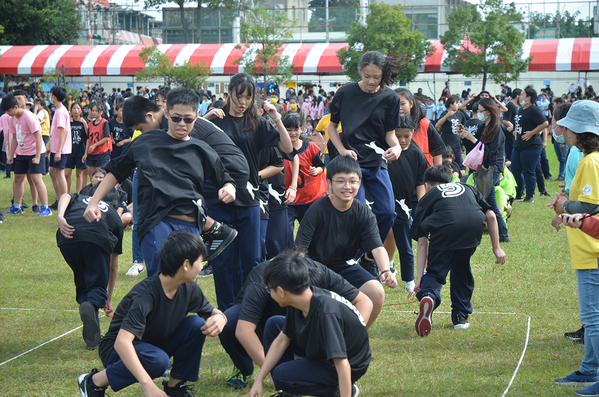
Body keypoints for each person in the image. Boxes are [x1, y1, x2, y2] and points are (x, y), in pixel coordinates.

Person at [84, 88, 237, 278]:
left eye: (188, 119)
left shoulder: (202, 149)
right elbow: (116, 172)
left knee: (187, 285)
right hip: (156, 224)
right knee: (161, 282)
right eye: (176, 118)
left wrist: (229, 188)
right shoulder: (145, 142)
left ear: (197, 116)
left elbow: (225, 179)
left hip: (190, 228)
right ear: (166, 113)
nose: (182, 124)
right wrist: (93, 202)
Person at [77, 230, 228, 397]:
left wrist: (221, 318)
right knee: (158, 361)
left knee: (196, 325)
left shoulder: (189, 288)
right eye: (201, 261)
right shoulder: (146, 295)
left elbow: (213, 313)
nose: (202, 266)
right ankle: (93, 382)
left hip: (153, 345)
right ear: (186, 265)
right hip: (117, 350)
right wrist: (147, 384)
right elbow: (122, 343)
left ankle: (175, 389)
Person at [204, 73, 293, 310]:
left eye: (248, 97)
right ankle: (227, 310)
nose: (242, 102)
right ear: (229, 93)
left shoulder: (257, 123)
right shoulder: (217, 122)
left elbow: (287, 148)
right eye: (238, 95)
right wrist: (205, 118)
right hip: (219, 198)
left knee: (252, 258)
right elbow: (188, 140)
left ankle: (250, 308)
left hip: (250, 199)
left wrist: (277, 119)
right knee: (223, 260)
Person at [218, 252, 372, 389]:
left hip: (348, 364)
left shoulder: (325, 313)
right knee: (274, 325)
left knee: (282, 375)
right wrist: (261, 378)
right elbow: (280, 340)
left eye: (269, 289)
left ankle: (335, 391)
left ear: (281, 291)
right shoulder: (297, 299)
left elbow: (342, 362)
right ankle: (288, 389)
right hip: (327, 350)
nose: (269, 293)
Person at [295, 156, 398, 328]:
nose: (347, 187)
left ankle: (356, 338)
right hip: (314, 268)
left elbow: (377, 247)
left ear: (359, 183)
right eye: (340, 181)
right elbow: (299, 250)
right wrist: (298, 276)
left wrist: (386, 270)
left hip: (344, 267)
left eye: (352, 181)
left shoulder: (363, 212)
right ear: (330, 183)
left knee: (376, 292)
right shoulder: (317, 209)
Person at [412, 165, 506, 337]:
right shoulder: (468, 188)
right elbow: (491, 215)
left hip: (445, 228)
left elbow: (422, 241)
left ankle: (429, 297)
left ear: (426, 186)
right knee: (461, 268)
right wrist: (497, 248)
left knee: (435, 272)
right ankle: (460, 317)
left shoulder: (429, 196)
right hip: (473, 227)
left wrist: (419, 279)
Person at [327, 51, 402, 250]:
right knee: (357, 211)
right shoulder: (344, 93)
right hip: (351, 162)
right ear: (359, 71)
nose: (371, 81)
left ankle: (368, 253)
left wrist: (397, 147)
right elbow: (331, 127)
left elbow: (390, 135)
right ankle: (356, 255)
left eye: (376, 77)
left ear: (383, 75)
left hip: (377, 162)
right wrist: (342, 150)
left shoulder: (391, 98)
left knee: (388, 212)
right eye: (366, 75)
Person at [552, 100, 599, 396]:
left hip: (591, 250)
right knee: (591, 316)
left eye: (567, 127)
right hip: (586, 247)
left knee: (593, 317)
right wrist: (564, 210)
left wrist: (565, 205)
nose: (562, 131)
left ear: (577, 132)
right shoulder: (587, 159)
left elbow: (592, 205)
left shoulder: (591, 161)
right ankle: (589, 367)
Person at [56, 185, 122, 350]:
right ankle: (92, 306)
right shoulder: (113, 215)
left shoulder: (79, 198)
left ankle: (92, 339)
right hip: (96, 238)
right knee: (97, 284)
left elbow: (65, 195)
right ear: (113, 204)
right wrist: (108, 298)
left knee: (83, 278)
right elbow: (113, 267)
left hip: (66, 237)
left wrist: (60, 217)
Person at [458, 97, 510, 243]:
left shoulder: (497, 129)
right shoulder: (483, 127)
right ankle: (498, 233)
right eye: (478, 110)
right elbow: (474, 149)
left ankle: (503, 235)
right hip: (482, 168)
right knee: (486, 201)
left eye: (481, 111)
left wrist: (472, 138)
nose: (478, 113)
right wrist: (464, 136)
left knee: (490, 202)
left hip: (491, 168)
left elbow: (489, 151)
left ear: (489, 112)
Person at [387, 115, 428, 294]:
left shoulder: (416, 154)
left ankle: (409, 281)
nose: (402, 140)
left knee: (405, 246)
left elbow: (420, 181)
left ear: (413, 133)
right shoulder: (384, 150)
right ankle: (374, 275)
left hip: (403, 205)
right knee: (373, 242)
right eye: (398, 136)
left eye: (406, 136)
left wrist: (422, 206)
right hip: (382, 203)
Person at [1, 94, 51, 216]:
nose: (8, 113)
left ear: (16, 107)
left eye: (9, 110)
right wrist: (11, 155)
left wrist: (38, 156)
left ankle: (45, 208)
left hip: (34, 151)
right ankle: (17, 207)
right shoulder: (11, 118)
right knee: (18, 178)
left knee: (36, 179)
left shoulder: (29, 117)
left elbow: (38, 137)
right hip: (21, 152)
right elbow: (14, 138)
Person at [283, 112, 327, 247]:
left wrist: (316, 170)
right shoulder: (278, 149)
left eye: (296, 129)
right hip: (289, 200)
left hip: (311, 198)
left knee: (313, 235)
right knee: (285, 233)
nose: (292, 133)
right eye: (288, 130)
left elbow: (321, 166)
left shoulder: (311, 148)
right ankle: (289, 259)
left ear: (301, 129)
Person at [511, 87, 549, 202]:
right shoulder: (521, 109)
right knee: (515, 169)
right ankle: (518, 194)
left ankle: (529, 196)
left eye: (522, 94)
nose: (520, 97)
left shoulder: (533, 109)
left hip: (531, 146)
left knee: (529, 171)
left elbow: (545, 123)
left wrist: (532, 133)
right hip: (518, 145)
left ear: (528, 98)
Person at [396, 88, 445, 166]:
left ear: (411, 104)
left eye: (402, 104)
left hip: (423, 171)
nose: (399, 108)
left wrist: (437, 174)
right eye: (395, 104)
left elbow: (437, 150)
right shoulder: (388, 125)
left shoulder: (424, 123)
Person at [47, 86, 72, 210]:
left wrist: (58, 151)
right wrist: (51, 146)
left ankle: (64, 201)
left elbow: (63, 131)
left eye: (51, 95)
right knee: (52, 172)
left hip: (61, 149)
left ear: (54, 97)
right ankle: (59, 199)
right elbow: (55, 132)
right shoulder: (58, 110)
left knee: (59, 173)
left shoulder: (61, 111)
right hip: (55, 147)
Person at [435, 94, 467, 169]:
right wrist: (447, 116)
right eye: (456, 103)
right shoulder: (444, 114)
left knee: (458, 163)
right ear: (451, 105)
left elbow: (464, 126)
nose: (458, 105)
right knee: (447, 162)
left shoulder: (460, 114)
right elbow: (437, 125)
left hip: (457, 143)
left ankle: (458, 176)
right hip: (447, 143)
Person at [84, 101, 112, 180]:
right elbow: (88, 139)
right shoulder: (90, 124)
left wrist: (95, 145)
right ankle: (93, 191)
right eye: (93, 110)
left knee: (102, 175)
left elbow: (106, 138)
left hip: (102, 152)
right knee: (92, 175)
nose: (94, 112)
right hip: (92, 153)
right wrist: (85, 153)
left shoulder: (105, 123)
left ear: (101, 112)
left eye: (96, 111)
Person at [65, 102, 89, 194]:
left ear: (81, 110)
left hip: (80, 151)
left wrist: (85, 124)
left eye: (77, 108)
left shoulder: (84, 121)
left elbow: (88, 135)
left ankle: (78, 194)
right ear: (71, 110)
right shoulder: (68, 121)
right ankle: (66, 193)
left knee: (79, 174)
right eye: (74, 108)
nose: (75, 110)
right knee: (67, 173)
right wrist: (67, 123)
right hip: (69, 151)